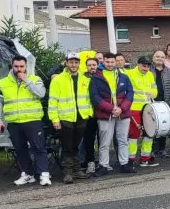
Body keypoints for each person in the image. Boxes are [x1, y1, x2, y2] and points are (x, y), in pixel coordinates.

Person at [0, 55, 50, 186]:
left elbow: (41, 94)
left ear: (26, 67)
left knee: (39, 148)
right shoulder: (3, 83)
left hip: (33, 120)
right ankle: (28, 174)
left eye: (21, 66)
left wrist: (27, 81)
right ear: (12, 66)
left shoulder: (35, 79)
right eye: (16, 66)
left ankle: (44, 174)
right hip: (14, 122)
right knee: (20, 149)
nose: (19, 69)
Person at [48, 52, 92, 183]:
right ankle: (68, 172)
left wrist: (89, 112)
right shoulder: (58, 79)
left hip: (81, 117)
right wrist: (55, 119)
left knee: (76, 145)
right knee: (67, 145)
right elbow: (53, 101)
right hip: (66, 117)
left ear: (79, 64)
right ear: (66, 63)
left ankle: (77, 169)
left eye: (76, 62)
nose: (74, 64)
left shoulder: (85, 79)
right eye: (71, 62)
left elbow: (88, 98)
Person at [89, 51, 135, 176]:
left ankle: (124, 164)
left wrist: (122, 108)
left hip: (122, 113)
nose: (110, 64)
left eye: (112, 62)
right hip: (106, 114)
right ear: (103, 61)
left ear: (116, 62)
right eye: (107, 62)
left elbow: (130, 94)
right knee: (104, 142)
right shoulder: (96, 78)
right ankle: (103, 166)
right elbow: (95, 97)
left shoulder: (123, 76)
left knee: (122, 140)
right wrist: (111, 109)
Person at [125, 55, 158, 167]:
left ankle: (145, 158)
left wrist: (153, 93)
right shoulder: (129, 74)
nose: (146, 68)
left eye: (148, 66)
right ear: (138, 64)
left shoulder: (150, 75)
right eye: (144, 66)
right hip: (134, 108)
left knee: (149, 134)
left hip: (148, 108)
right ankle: (131, 160)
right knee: (133, 136)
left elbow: (154, 89)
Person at [151, 50, 170, 156]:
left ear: (164, 59)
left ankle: (162, 149)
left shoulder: (169, 71)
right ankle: (152, 150)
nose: (160, 58)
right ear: (153, 58)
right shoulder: (148, 70)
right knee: (152, 127)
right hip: (152, 103)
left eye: (162, 57)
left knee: (163, 127)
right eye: (157, 56)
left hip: (165, 104)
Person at [79, 58, 101, 174]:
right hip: (89, 114)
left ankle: (103, 163)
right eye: (89, 65)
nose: (92, 67)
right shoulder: (82, 78)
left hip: (102, 112)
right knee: (89, 140)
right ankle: (90, 162)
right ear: (86, 66)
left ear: (98, 65)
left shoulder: (102, 77)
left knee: (102, 139)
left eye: (94, 64)